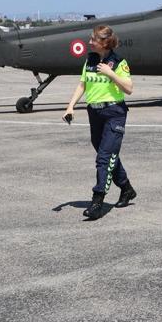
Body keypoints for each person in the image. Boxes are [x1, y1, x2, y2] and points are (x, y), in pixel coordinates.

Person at [63, 25, 137, 220]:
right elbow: (82, 84)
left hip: (114, 112)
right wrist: (70, 106)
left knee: (104, 157)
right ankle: (127, 188)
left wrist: (111, 74)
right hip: (94, 113)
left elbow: (129, 88)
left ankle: (97, 201)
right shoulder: (90, 60)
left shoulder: (119, 61)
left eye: (93, 39)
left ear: (104, 42)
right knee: (107, 153)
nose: (89, 42)